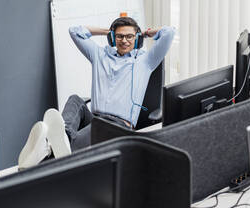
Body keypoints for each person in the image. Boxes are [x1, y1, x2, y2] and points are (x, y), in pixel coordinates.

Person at [18, 17, 175, 168]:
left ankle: (47, 149)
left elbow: (169, 32)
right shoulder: (100, 55)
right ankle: (63, 137)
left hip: (117, 127)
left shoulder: (145, 62)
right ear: (113, 38)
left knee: (75, 145)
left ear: (136, 39)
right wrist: (107, 31)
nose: (125, 40)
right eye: (119, 36)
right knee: (75, 100)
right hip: (95, 119)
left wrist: (145, 34)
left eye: (130, 36)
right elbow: (75, 31)